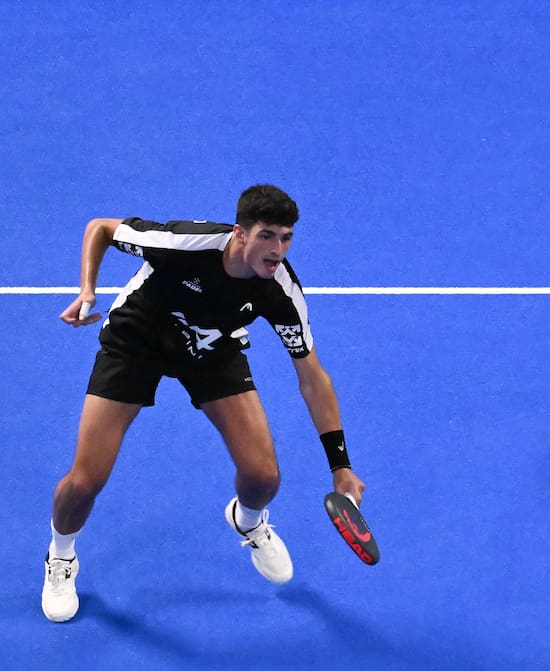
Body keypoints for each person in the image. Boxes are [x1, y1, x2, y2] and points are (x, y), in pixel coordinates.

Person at [42, 184, 366, 622]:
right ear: (240, 233)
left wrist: (340, 466)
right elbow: (100, 228)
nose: (278, 250)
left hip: (211, 349)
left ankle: (248, 520)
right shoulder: (183, 245)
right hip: (136, 342)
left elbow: (312, 376)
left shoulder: (279, 290)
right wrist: (87, 291)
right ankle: (61, 557)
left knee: (263, 476)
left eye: (286, 237)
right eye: (267, 236)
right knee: (84, 482)